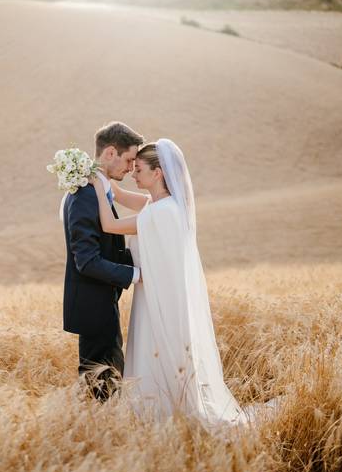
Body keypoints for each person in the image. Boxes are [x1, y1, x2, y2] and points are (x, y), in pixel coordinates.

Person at [88, 138, 248, 426]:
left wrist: (97, 187)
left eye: (138, 169)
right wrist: (95, 171)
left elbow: (109, 225)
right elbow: (122, 194)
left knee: (155, 351)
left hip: (156, 300)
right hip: (164, 297)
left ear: (158, 173)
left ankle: (163, 415)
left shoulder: (158, 213)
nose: (133, 175)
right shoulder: (167, 205)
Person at [61, 121, 144, 401]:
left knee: (106, 383)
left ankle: (99, 431)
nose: (131, 168)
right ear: (110, 153)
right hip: (92, 306)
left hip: (100, 302)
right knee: (101, 389)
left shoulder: (97, 190)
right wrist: (134, 274)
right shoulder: (85, 194)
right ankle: (96, 436)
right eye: (130, 159)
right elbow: (86, 260)